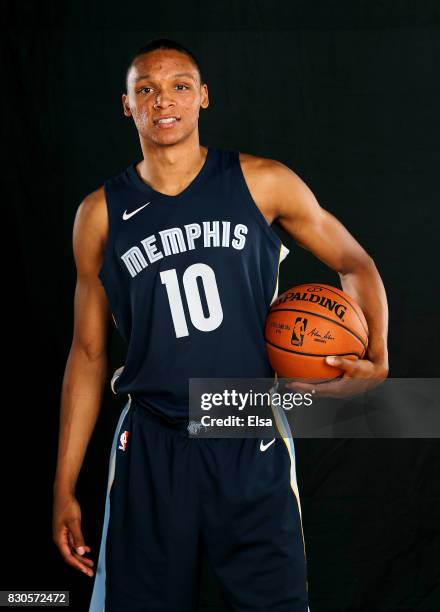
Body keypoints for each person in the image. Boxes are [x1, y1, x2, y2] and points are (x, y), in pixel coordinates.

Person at [52, 38, 389, 612]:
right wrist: (63, 485)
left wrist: (377, 358)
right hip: (150, 442)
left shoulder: (263, 182)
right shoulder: (100, 214)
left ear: (203, 97)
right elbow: (88, 353)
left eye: (180, 86)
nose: (165, 100)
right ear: (127, 105)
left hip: (247, 428)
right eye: (147, 89)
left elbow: (355, 263)